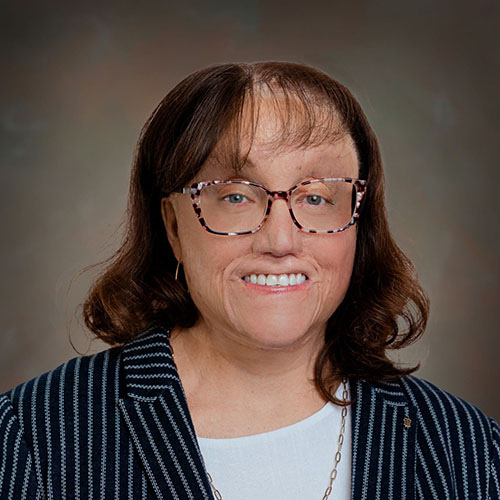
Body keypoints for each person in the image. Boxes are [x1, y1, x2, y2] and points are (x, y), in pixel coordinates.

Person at [0, 61, 498, 500]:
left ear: (359, 222)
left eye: (317, 197)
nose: (280, 240)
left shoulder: (466, 449)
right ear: (172, 226)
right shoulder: (32, 439)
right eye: (235, 196)